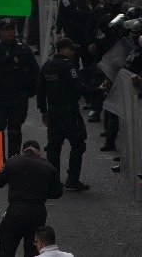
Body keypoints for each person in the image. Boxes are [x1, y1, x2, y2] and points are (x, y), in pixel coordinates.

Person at [0, 18, 40, 159]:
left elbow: (36, 73)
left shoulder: (23, 50)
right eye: (6, 29)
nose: (10, 32)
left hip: (18, 97)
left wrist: (32, 91)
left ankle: (14, 162)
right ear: (0, 32)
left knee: (14, 131)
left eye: (12, 28)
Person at [37, 38, 91, 191]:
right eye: (70, 48)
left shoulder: (47, 66)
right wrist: (96, 91)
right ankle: (73, 179)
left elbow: (40, 91)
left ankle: (53, 181)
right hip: (69, 112)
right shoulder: (69, 67)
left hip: (53, 112)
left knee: (54, 147)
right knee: (78, 143)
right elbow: (78, 88)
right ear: (62, 50)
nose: (73, 51)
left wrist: (43, 110)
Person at [0, 140, 63, 257]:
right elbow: (57, 193)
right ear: (39, 151)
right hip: (38, 211)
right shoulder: (48, 166)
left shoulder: (12, 162)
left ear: (22, 150)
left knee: (7, 248)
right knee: (33, 250)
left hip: (16, 209)